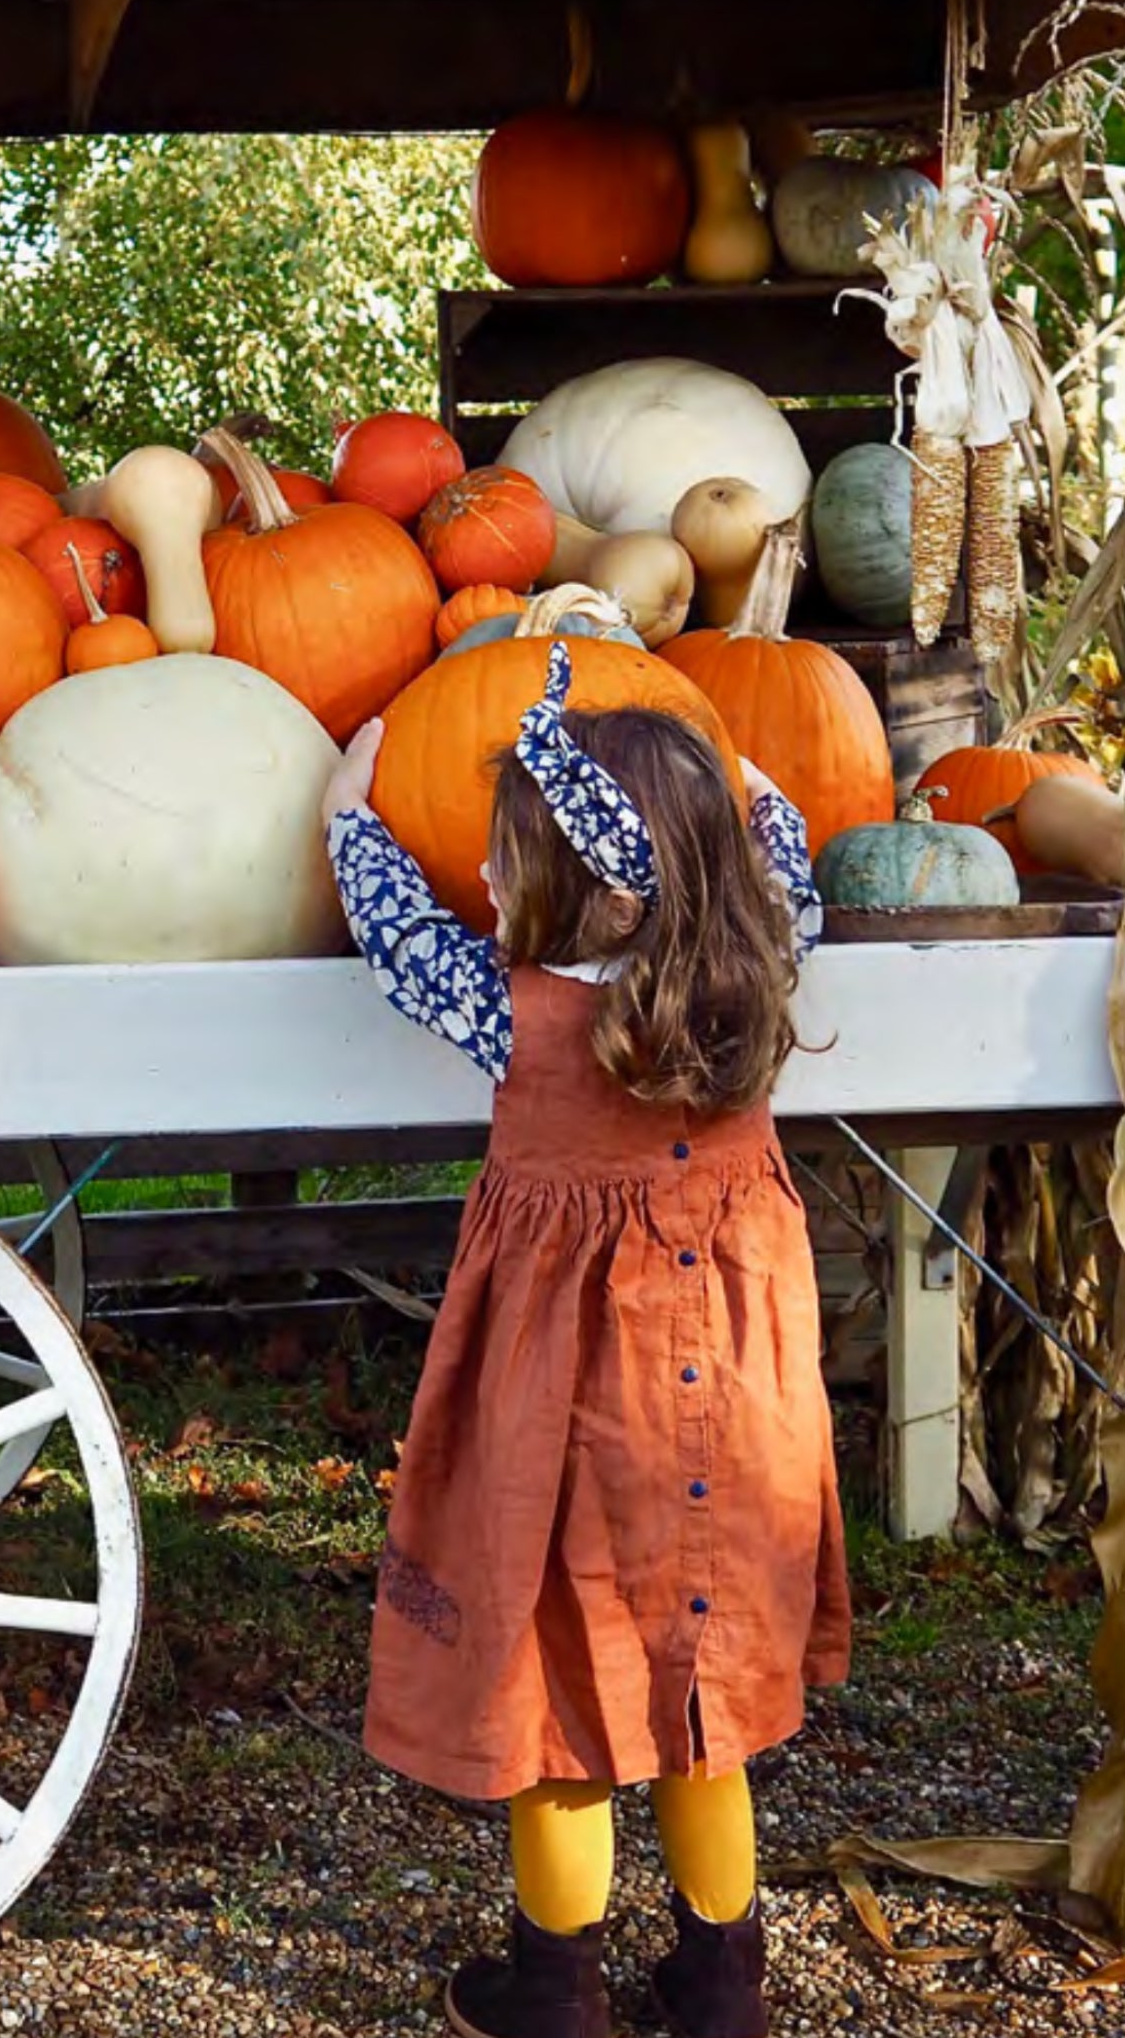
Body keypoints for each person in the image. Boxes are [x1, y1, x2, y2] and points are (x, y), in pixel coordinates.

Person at [321, 643, 851, 2038]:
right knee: (699, 1682)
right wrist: (716, 763)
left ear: (590, 886)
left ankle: (555, 1988)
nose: (486, 886)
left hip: (569, 1402)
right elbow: (780, 830)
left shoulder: (510, 1007)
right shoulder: (762, 966)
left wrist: (346, 799)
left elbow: (386, 922)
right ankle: (718, 1981)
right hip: (739, 1396)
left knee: (559, 1686)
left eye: (507, 863)